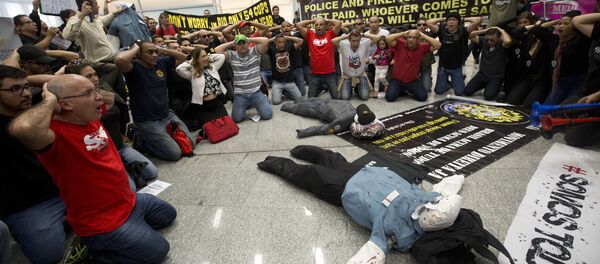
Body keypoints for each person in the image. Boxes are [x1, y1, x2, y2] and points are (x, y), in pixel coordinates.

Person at [9, 74, 177, 263]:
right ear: (65, 104)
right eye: (90, 93)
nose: (98, 96)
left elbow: (110, 99)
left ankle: (128, 232)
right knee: (159, 251)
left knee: (168, 215)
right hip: (100, 221)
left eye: (95, 90)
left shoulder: (89, 115)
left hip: (127, 202)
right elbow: (23, 128)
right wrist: (50, 99)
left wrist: (74, 86)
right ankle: (95, 252)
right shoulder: (54, 134)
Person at [257, 145, 464, 262]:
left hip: (343, 189)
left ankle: (271, 162)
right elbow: (446, 188)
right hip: (361, 172)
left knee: (308, 174)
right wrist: (456, 181)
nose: (432, 212)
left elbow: (374, 250)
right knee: (330, 157)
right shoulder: (428, 200)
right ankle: (298, 149)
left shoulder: (402, 234)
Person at [0, 65, 66, 264]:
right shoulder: (38, 109)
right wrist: (50, 101)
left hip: (63, 187)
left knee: (128, 190)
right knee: (48, 255)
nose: (26, 93)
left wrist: (37, 86)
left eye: (27, 86)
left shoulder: (32, 104)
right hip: (28, 205)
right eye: (15, 89)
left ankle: (67, 220)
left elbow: (60, 80)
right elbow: (26, 127)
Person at [64, 60, 158, 187]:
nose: (95, 78)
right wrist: (65, 73)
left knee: (151, 172)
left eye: (95, 74)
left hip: (120, 146)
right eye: (89, 76)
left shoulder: (103, 91)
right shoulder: (77, 105)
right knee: (131, 187)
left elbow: (112, 70)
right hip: (102, 153)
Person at [114, 41, 195, 161]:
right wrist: (136, 48)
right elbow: (120, 59)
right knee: (174, 154)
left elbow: (184, 57)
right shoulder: (133, 67)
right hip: (147, 121)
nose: (155, 55)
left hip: (167, 115)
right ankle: (139, 139)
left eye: (156, 52)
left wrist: (162, 49)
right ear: (139, 54)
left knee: (190, 144)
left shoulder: (161, 63)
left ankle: (160, 139)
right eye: (150, 52)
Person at [215, 35, 272, 123]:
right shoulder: (232, 55)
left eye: (244, 43)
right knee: (237, 119)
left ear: (248, 44)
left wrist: (249, 39)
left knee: (267, 115)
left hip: (256, 92)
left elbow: (265, 40)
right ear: (235, 46)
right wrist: (232, 43)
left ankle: (262, 99)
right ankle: (249, 104)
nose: (242, 45)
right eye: (239, 44)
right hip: (240, 95)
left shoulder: (255, 51)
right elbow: (217, 50)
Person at [506, 11, 553, 107]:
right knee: (512, 100)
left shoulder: (550, 40)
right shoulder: (529, 38)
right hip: (527, 77)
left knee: (528, 104)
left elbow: (537, 30)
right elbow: (515, 32)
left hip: (541, 79)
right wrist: (534, 22)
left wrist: (541, 23)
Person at [542, 11, 590, 105]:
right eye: (560, 24)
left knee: (565, 110)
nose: (560, 26)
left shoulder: (583, 39)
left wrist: (576, 22)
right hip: (561, 81)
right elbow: (538, 29)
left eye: (566, 24)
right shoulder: (556, 40)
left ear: (575, 27)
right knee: (546, 110)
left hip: (579, 82)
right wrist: (557, 20)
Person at [427, 13, 481, 96]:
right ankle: (448, 83)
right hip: (443, 67)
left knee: (459, 93)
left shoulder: (463, 31)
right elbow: (428, 22)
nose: (451, 22)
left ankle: (458, 79)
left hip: (456, 68)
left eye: (454, 20)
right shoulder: (441, 30)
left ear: (458, 22)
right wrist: (445, 18)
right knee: (438, 91)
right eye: (449, 20)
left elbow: (478, 20)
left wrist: (462, 19)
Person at [176, 48, 230, 127]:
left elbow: (221, 57)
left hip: (217, 103)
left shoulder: (212, 67)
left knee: (227, 127)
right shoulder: (192, 73)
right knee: (212, 131)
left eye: (206, 56)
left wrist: (209, 57)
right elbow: (179, 69)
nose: (206, 58)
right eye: (203, 56)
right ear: (196, 59)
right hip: (204, 107)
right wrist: (192, 61)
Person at [385, 29, 442, 102]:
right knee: (390, 98)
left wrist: (424, 36)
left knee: (423, 97)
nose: (411, 40)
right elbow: (387, 38)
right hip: (397, 80)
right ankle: (402, 90)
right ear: (406, 38)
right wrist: (403, 33)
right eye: (409, 37)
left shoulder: (422, 47)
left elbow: (438, 45)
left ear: (418, 39)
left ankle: (404, 90)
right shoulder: (400, 43)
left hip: (412, 81)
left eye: (414, 37)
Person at [296, 18, 343, 98]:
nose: (318, 26)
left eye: (321, 24)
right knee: (310, 99)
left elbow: (338, 23)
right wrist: (312, 20)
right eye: (316, 25)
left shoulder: (330, 34)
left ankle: (323, 87)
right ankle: (322, 87)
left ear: (325, 26)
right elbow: (298, 25)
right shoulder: (310, 35)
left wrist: (326, 20)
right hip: (315, 74)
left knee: (337, 98)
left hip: (330, 74)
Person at [463, 27, 512, 100]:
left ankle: (495, 87)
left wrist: (501, 30)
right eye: (487, 39)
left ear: (498, 38)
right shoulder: (484, 42)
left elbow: (508, 41)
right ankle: (487, 86)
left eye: (492, 40)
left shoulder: (502, 44)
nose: (489, 42)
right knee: (467, 92)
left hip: (495, 77)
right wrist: (485, 30)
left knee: (488, 96)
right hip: (482, 74)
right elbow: (470, 36)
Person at [332, 30, 380, 100]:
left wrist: (362, 34)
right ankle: (350, 89)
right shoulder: (344, 45)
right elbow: (333, 41)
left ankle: (357, 88)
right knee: (345, 97)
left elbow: (377, 38)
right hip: (347, 76)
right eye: (353, 41)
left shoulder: (364, 44)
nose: (355, 43)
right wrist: (346, 36)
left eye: (357, 40)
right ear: (349, 40)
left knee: (364, 97)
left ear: (360, 39)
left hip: (360, 75)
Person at [266, 34, 304, 105]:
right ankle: (281, 91)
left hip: (289, 81)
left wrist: (286, 37)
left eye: (283, 42)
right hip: (277, 82)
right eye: (279, 42)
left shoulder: (289, 47)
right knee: (276, 101)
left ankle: (285, 92)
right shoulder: (271, 50)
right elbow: (263, 43)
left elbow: (300, 41)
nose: (282, 44)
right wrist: (273, 39)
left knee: (299, 98)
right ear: (275, 43)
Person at [416, 17, 436, 93]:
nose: (421, 26)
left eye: (424, 24)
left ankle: (427, 78)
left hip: (426, 65)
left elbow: (438, 26)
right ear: (416, 26)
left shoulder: (431, 34)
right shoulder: (412, 35)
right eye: (419, 24)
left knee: (426, 89)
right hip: (414, 65)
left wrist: (427, 22)